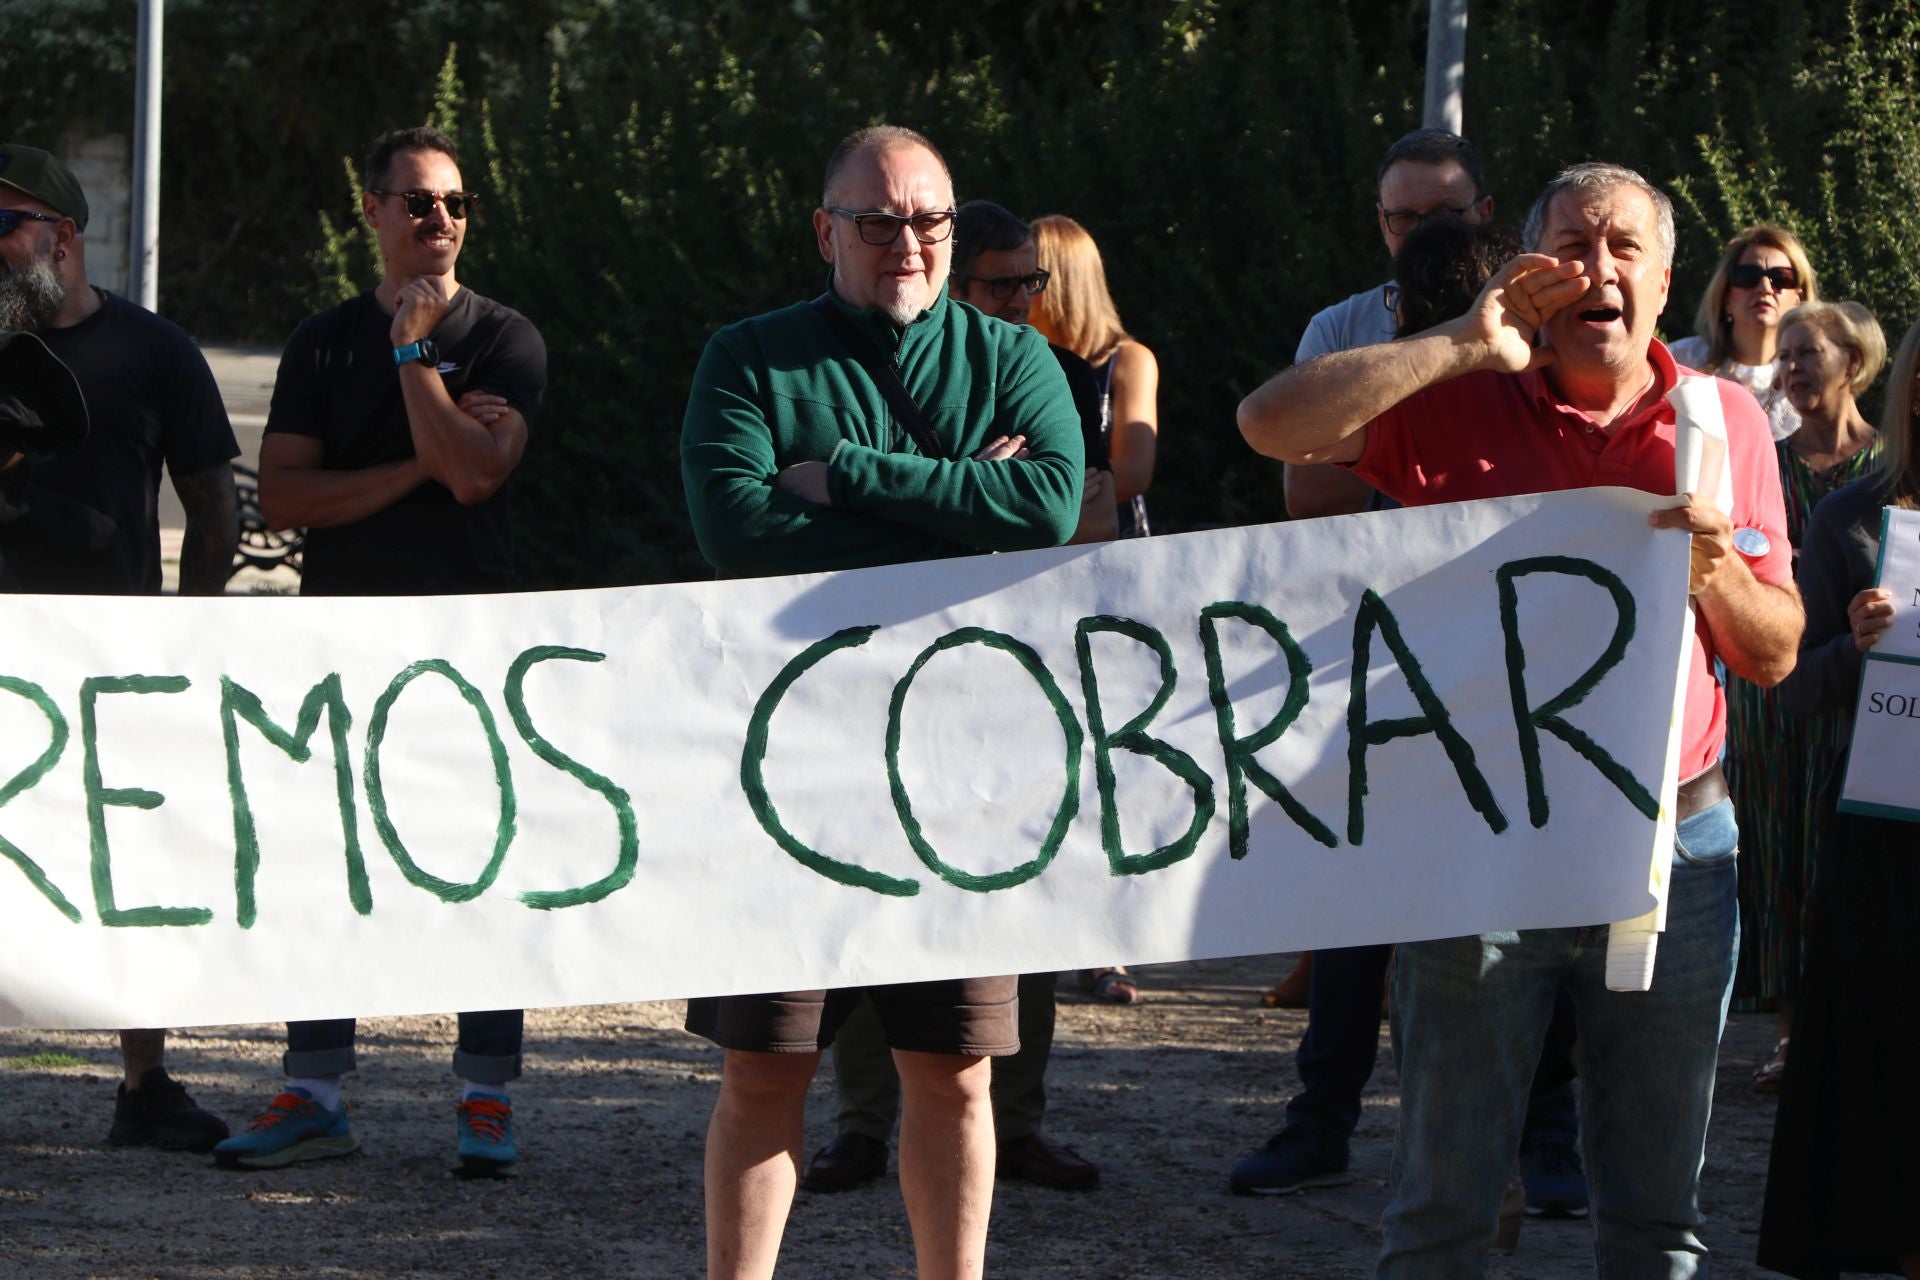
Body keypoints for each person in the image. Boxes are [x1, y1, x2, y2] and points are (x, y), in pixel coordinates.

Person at [1237, 161, 1802, 1276]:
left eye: (1624, 247)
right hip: (1484, 844)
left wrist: (1710, 572)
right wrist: (1460, 343)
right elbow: (1270, 426)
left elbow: (1773, 649)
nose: (1600, 268)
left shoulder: (1723, 419)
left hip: (1673, 849)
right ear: (1529, 269)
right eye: (1574, 245)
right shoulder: (1458, 401)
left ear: (1667, 276)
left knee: (1655, 1216)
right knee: (1442, 1205)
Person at [679, 126, 1082, 1279]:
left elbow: (1050, 507)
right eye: (879, 220)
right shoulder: (749, 356)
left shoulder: (1014, 359)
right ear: (826, 230)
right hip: (786, 763)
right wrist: (967, 502)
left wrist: (845, 473)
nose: (908, 241)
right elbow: (738, 529)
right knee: (765, 1065)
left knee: (950, 1067)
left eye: (930, 220)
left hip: (965, 770)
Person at [1232, 211, 1592, 1223]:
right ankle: (1324, 1119)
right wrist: (1438, 361)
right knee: (1359, 909)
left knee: (1531, 914)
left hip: (1519, 701)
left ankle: (1546, 1130)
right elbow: (1300, 472)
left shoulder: (1552, 390)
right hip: (1394, 688)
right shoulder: (1381, 365)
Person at [216, 126, 546, 1179]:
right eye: (415, 202)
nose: (437, 220)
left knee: (481, 857)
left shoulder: (507, 337)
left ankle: (486, 1091)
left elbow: (481, 480)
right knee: (329, 853)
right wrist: (422, 460)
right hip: (345, 637)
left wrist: (414, 357)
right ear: (372, 212)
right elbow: (288, 497)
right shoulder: (319, 342)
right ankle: (313, 1088)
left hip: (468, 637)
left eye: (454, 203)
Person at [800, 200, 1106, 1200]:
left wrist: (880, 489)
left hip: (1012, 679)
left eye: (1033, 282)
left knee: (1014, 912)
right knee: (872, 899)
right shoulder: (879, 366)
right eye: (1001, 285)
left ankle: (1016, 1122)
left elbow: (1066, 506)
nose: (1022, 300)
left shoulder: (1031, 373)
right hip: (878, 682)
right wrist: (964, 487)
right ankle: (860, 1125)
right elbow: (795, 507)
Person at [1, 141, 239, 1153]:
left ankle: (145, 1079)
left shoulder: (156, 351)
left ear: (63, 235)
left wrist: (181, 627)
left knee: (130, 863)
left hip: (115, 655)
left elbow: (215, 505)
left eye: (2, 226)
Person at [1262, 128, 1498, 1018]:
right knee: (1361, 867)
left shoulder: (1545, 321)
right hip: (1374, 634)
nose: (1419, 233)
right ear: (1379, 224)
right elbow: (1308, 491)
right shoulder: (1342, 327)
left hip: (1503, 631)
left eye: (1440, 214)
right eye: (1402, 217)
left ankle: (1541, 1128)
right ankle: (1321, 1111)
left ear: (1483, 214)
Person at [1757, 317, 1920, 1280]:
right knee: (1896, 1053)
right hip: (1888, 831)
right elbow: (1789, 679)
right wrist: (1851, 648)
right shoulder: (1854, 520)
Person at [1724, 298, 1884, 1093]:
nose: (1788, 369)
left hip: (1860, 702)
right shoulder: (1765, 463)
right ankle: (1792, 1036)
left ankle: (1846, 1025)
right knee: (1776, 853)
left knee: (1836, 854)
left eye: (1806, 354)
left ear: (1854, 364)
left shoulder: (1890, 472)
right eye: (1783, 356)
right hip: (1768, 692)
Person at [1026, 211, 1153, 1004]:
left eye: (1025, 275)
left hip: (1111, 574)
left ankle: (1110, 939)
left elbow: (1131, 469)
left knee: (1114, 754)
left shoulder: (1122, 361)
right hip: (1039, 570)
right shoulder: (1017, 362)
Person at [1668, 225, 1817, 442]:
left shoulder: (1813, 378)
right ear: (1726, 296)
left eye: (1781, 278)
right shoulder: (1679, 362)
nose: (1765, 287)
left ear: (1798, 300)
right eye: (1748, 276)